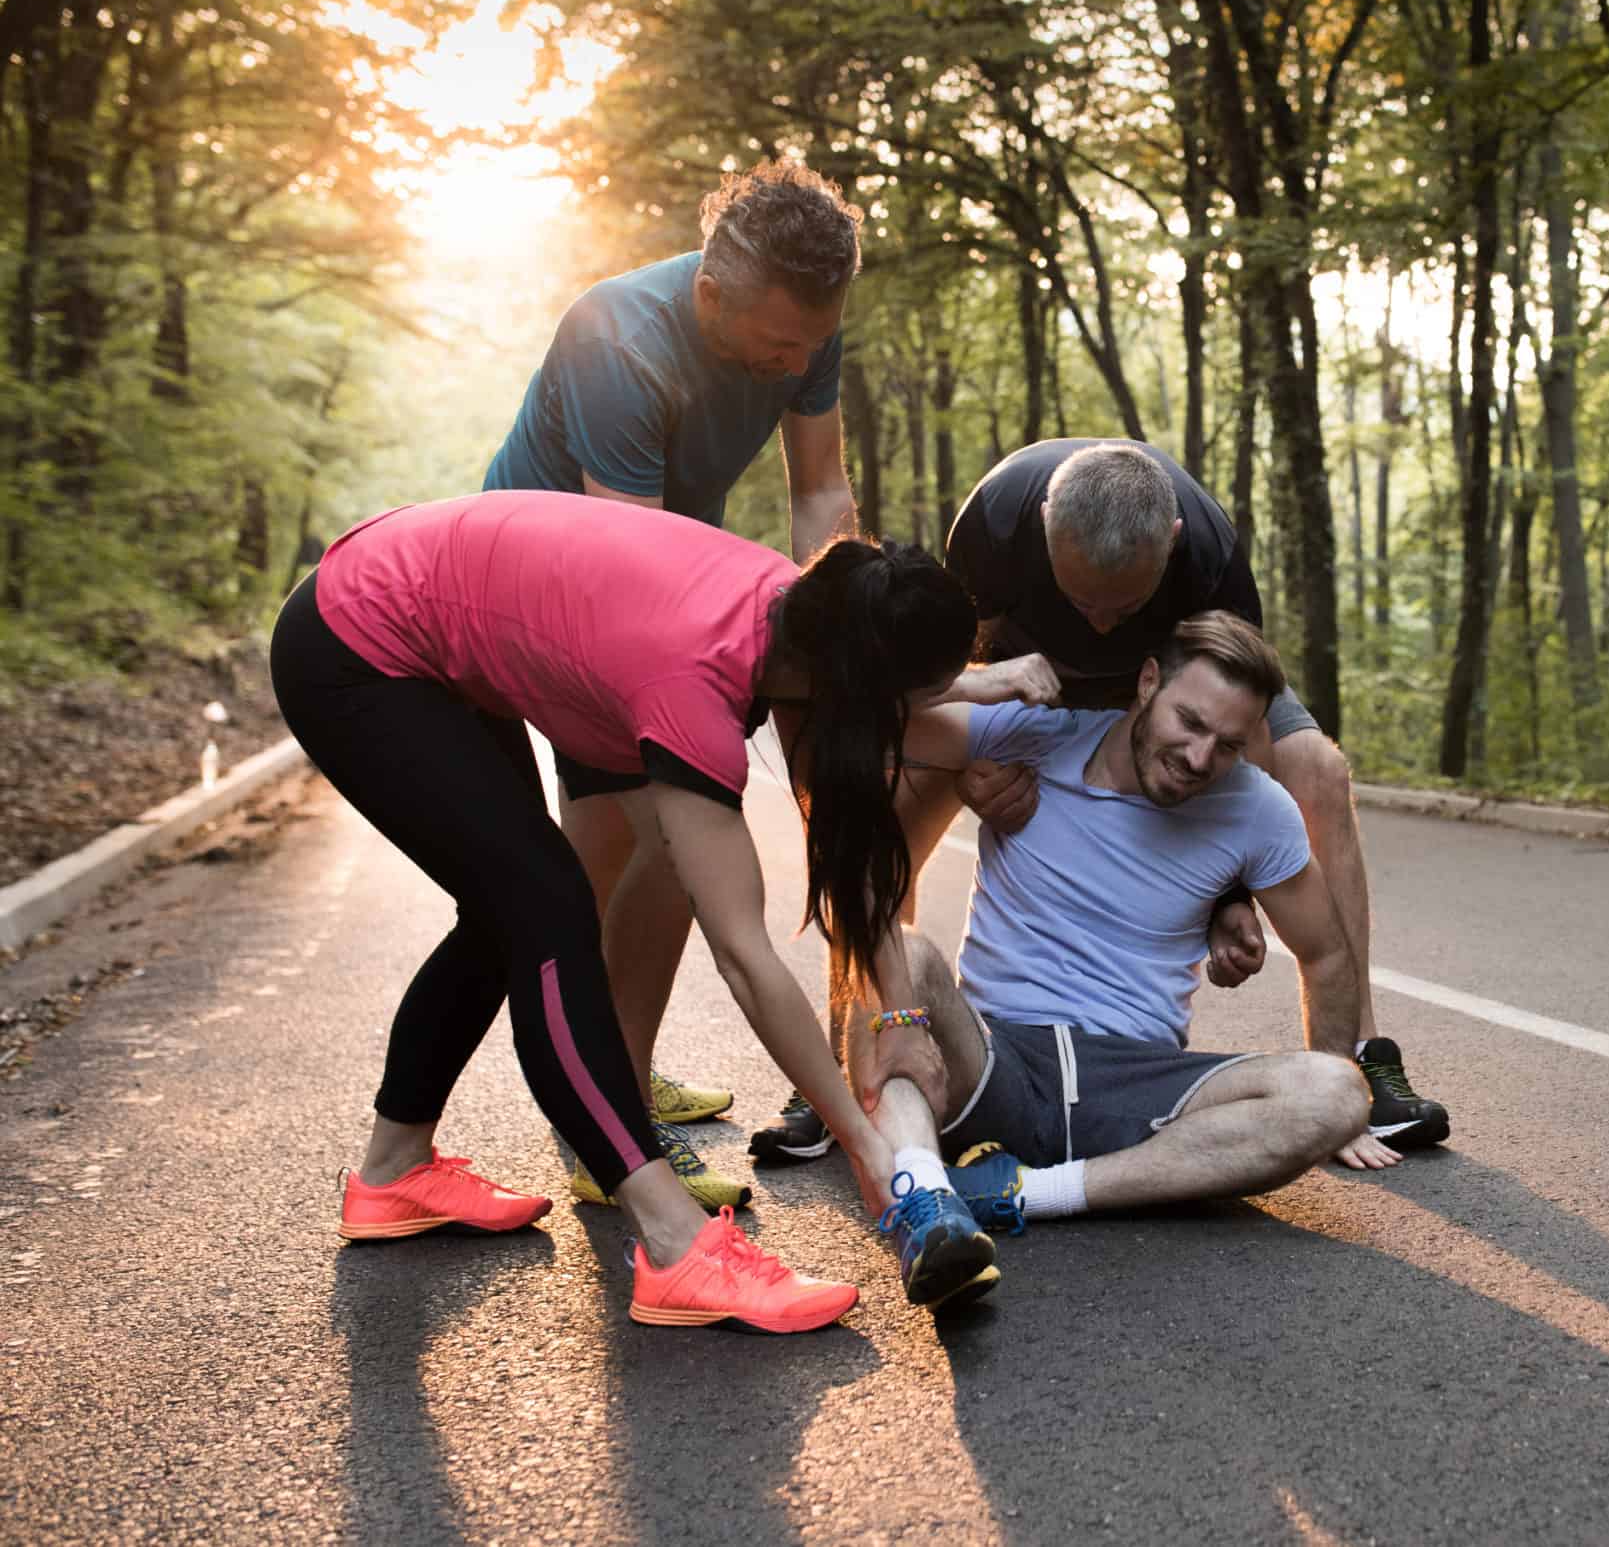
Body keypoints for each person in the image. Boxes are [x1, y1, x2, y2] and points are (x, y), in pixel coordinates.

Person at [274, 489, 1009, 1323]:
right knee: (545, 906)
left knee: (502, 901)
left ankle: (392, 1169)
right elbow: (744, 954)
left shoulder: (811, 609)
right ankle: (671, 1243)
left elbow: (846, 828)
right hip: (354, 643)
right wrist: (867, 1145)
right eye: (898, 706)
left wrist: (895, 1017)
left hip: (417, 618)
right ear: (853, 685)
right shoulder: (694, 677)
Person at [748, 438, 1443, 1171]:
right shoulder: (995, 524)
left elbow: (1243, 724)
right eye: (1083, 601)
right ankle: (856, 1041)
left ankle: (1364, 1054)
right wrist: (977, 748)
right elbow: (912, 681)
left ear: (1170, 544)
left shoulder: (1210, 556)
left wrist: (1234, 893)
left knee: (1320, 768)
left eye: (1126, 604)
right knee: (876, 799)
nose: (1103, 623)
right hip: (1024, 682)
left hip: (1171, 698)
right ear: (1047, 525)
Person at [481, 161, 861, 1163]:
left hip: (652, 569)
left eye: (811, 343)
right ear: (707, 295)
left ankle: (612, 1069)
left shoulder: (804, 323)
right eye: (780, 342)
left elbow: (821, 493)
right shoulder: (619, 338)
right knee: (649, 844)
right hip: (544, 586)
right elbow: (629, 569)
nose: (796, 363)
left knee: (628, 847)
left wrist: (842, 629)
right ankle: (610, 1125)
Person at [829, 612, 1372, 1235]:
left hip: (1136, 1082)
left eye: (1227, 744)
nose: (1199, 758)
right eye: (1189, 722)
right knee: (897, 951)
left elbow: (1326, 955)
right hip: (992, 1058)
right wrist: (975, 683)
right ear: (1147, 683)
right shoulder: (1032, 736)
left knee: (1336, 1093)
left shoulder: (1257, 809)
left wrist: (1333, 1124)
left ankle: (1025, 1194)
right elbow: (855, 716)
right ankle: (925, 1197)